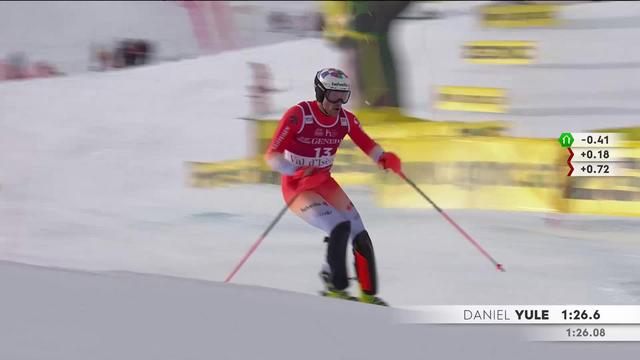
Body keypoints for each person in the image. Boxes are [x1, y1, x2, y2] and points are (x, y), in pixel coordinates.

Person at [264, 68, 402, 305]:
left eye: (344, 96)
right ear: (320, 93)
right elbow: (271, 156)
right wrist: (295, 171)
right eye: (333, 96)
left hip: (324, 182)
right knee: (339, 227)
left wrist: (383, 157)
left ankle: (369, 296)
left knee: (360, 233)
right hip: (298, 187)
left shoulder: (345, 119)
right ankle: (335, 288)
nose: (339, 103)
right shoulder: (299, 115)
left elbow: (366, 143)